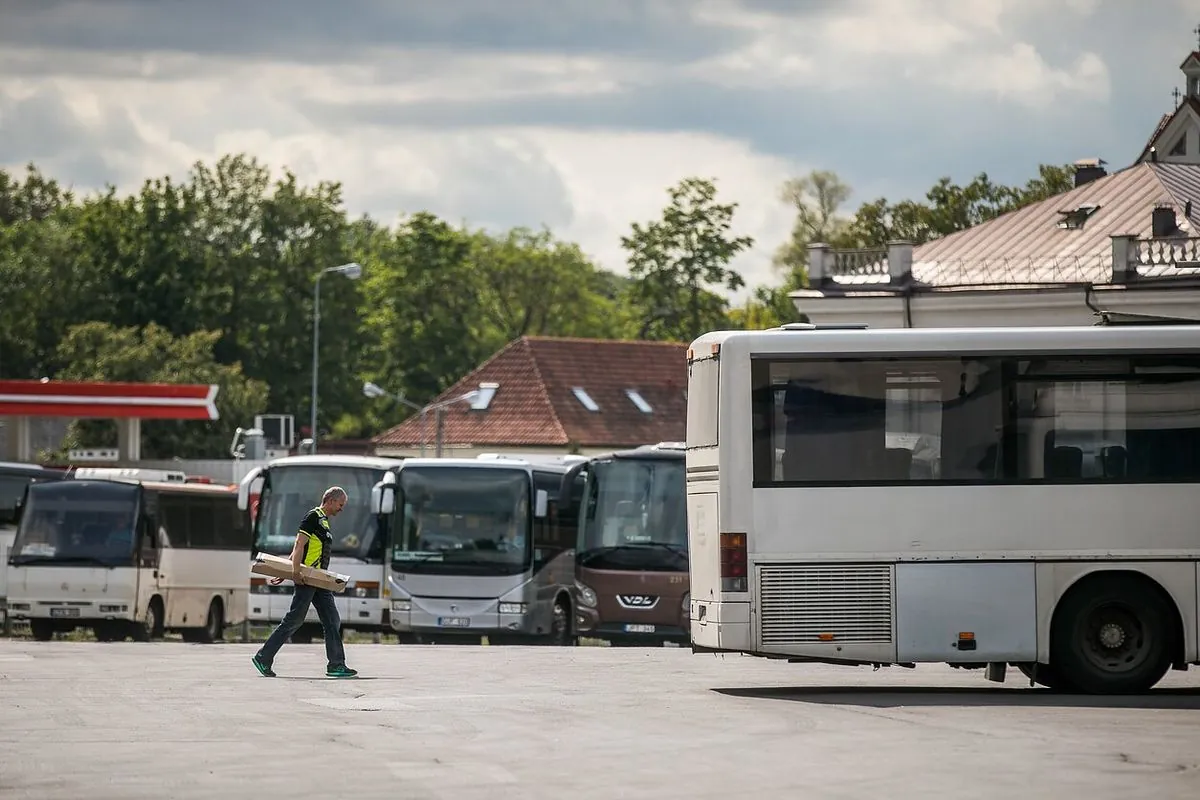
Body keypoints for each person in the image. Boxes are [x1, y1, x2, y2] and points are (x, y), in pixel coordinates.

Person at [251, 486, 358, 678]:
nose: (341, 509)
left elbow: (302, 546)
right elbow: (299, 544)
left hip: (319, 580)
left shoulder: (324, 522)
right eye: (341, 505)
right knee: (294, 620)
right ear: (331, 501)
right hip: (307, 578)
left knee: (332, 619)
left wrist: (288, 570)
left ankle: (336, 664)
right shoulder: (313, 517)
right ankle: (263, 657)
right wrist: (294, 571)